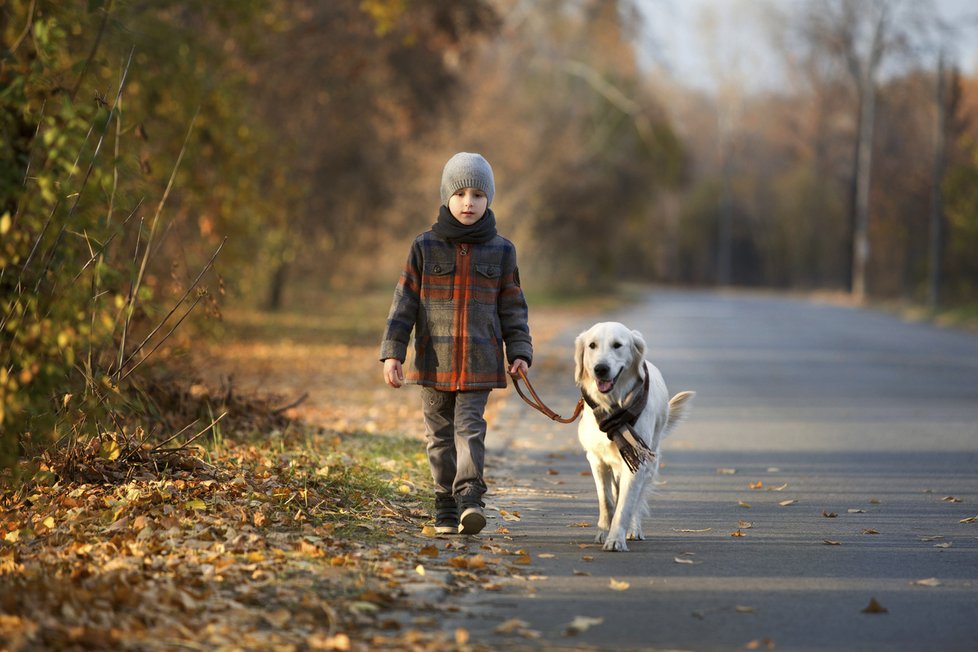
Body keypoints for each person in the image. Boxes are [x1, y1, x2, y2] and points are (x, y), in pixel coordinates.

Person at [380, 152, 532, 535]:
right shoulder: (424, 247)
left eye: (478, 195)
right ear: (447, 196)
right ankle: (444, 503)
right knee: (439, 437)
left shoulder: (501, 250)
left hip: (480, 362)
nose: (469, 202)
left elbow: (513, 307)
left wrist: (519, 351)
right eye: (461, 193)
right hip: (433, 361)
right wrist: (392, 353)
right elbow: (404, 304)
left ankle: (469, 499)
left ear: (489, 200)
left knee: (469, 430)